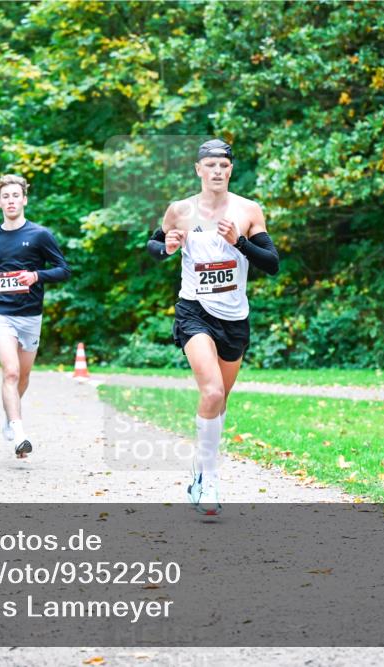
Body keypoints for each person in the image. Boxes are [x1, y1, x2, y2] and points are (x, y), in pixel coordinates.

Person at [147, 139, 279, 516]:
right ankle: (210, 478)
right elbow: (154, 248)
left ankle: (199, 469)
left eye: (224, 165)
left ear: (230, 170)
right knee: (211, 391)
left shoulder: (247, 210)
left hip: (235, 318)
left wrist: (239, 242)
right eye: (210, 165)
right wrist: (167, 248)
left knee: (221, 401)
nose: (217, 171)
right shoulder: (180, 210)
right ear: (198, 170)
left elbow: (272, 264)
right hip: (195, 312)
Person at [0, 174, 71, 459]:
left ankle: (9, 417)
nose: (11, 200)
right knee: (10, 371)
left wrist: (36, 275)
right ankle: (19, 433)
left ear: (24, 199)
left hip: (30, 315)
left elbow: (64, 270)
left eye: (16, 195)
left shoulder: (39, 235)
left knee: (23, 376)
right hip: (0, 312)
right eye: (6, 196)